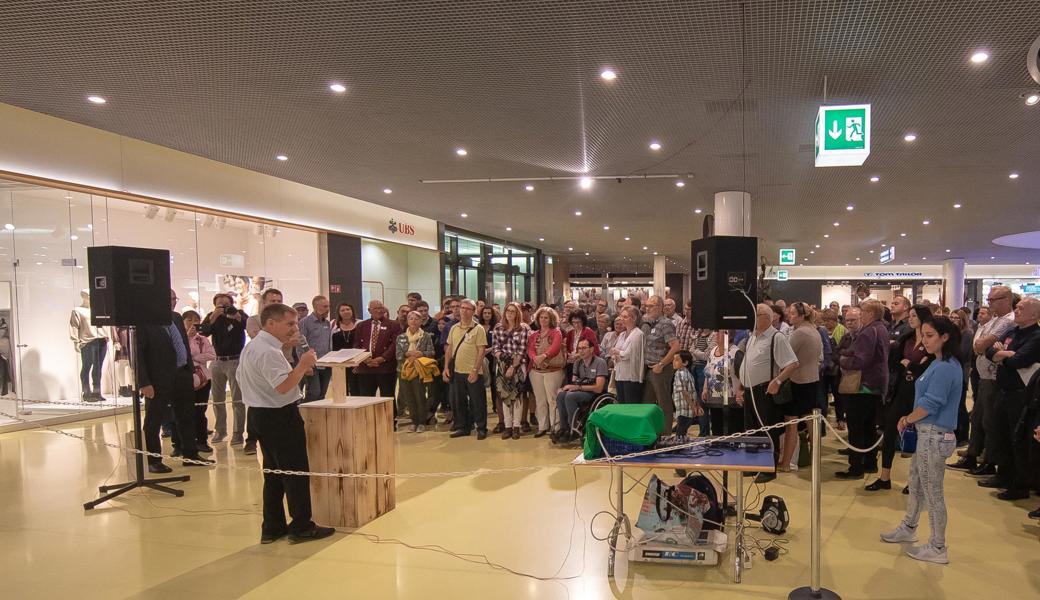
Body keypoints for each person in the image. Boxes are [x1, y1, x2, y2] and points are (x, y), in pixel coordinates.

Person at [238, 303, 334, 545]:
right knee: (294, 472)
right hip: (279, 416)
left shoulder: (254, 347)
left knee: (273, 473)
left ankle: (272, 526)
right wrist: (302, 366)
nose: (294, 328)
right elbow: (282, 387)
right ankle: (301, 525)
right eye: (289, 323)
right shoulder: (268, 352)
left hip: (260, 414)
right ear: (271, 323)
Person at [879, 316, 962, 564]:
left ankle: (938, 546)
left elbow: (932, 403)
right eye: (923, 335)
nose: (924, 340)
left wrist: (907, 419)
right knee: (916, 483)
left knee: (932, 492)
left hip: (934, 434)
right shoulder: (939, 363)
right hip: (927, 434)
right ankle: (909, 526)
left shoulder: (946, 367)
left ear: (944, 337)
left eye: (930, 336)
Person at [138, 290, 213, 473]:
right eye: (168, 299)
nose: (172, 302)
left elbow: (183, 345)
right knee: (154, 420)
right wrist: (144, 382)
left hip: (182, 375)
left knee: (186, 416)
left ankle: (190, 454)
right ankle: (154, 460)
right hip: (157, 379)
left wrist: (188, 370)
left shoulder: (176, 318)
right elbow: (138, 355)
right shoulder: (143, 322)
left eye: (174, 299)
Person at [950, 287, 1016, 474]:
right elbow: (977, 345)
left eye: (993, 299)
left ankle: (989, 462)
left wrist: (983, 346)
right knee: (978, 418)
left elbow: (982, 344)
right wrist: (983, 346)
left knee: (989, 421)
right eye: (989, 299)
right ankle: (973, 456)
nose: (989, 303)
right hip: (983, 375)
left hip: (995, 377)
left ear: (1006, 299)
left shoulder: (1009, 321)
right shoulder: (994, 320)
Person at [868, 304, 934, 492]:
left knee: (919, 436)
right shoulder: (907, 339)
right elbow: (897, 361)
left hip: (920, 392)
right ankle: (884, 477)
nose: (911, 319)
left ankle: (916, 480)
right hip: (902, 389)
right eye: (910, 315)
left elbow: (925, 366)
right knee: (890, 431)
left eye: (914, 316)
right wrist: (911, 365)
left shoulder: (930, 341)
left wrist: (912, 365)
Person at [981, 297, 1040, 500]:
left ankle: (1020, 484)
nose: (1017, 310)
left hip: (1020, 394)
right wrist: (1003, 353)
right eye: (1017, 307)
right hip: (1003, 390)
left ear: (1034, 314)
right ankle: (1003, 474)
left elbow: (1019, 360)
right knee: (1001, 434)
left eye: (1022, 308)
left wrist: (1002, 354)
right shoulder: (1012, 331)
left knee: (1018, 440)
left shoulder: (1036, 336)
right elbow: (989, 352)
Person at [836, 300, 890, 480]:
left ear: (871, 313)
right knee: (869, 427)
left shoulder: (869, 331)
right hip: (876, 384)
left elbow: (861, 360)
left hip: (863, 386)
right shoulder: (881, 329)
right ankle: (870, 463)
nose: (861, 313)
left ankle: (856, 467)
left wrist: (842, 361)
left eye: (863, 311)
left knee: (857, 427)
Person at [200, 293, 248, 446]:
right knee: (217, 399)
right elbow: (204, 332)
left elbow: (248, 325)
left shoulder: (238, 314)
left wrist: (237, 317)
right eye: (219, 305)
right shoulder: (212, 316)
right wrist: (213, 316)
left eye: (226, 305)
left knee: (237, 399)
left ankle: (238, 433)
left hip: (235, 360)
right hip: (217, 361)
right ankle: (220, 430)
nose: (223, 308)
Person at [784, 302, 822, 472]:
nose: (789, 316)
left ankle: (786, 463)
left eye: (792, 314)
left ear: (801, 315)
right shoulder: (814, 330)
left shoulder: (799, 333)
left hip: (798, 381)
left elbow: (786, 357)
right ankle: (815, 458)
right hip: (812, 380)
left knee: (791, 422)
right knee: (810, 420)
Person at [445, 299, 489, 439]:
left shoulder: (478, 328)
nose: (463, 311)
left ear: (473, 311)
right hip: (457, 371)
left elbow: (481, 350)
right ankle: (463, 426)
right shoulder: (454, 328)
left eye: (468, 309)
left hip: (473, 372)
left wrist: (475, 370)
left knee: (478, 401)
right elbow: (449, 348)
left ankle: (481, 427)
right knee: (459, 401)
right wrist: (446, 367)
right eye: (461, 308)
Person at [553, 338, 608, 443]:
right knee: (561, 395)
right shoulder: (577, 363)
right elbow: (574, 383)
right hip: (581, 390)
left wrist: (577, 388)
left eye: (584, 348)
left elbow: (599, 388)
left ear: (591, 349)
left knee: (570, 396)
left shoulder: (600, 362)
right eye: (579, 348)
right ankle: (564, 427)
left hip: (594, 393)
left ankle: (573, 428)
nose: (581, 351)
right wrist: (564, 388)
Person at [641, 296, 681, 432]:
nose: (647, 308)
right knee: (647, 403)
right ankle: (651, 433)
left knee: (664, 403)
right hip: (650, 369)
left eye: (650, 306)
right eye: (646, 306)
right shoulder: (651, 323)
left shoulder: (665, 324)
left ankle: (666, 435)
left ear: (659, 307)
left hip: (661, 370)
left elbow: (675, 346)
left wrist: (662, 364)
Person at [492, 302, 530, 440]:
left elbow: (522, 349)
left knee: (517, 396)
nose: (510, 313)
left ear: (517, 313)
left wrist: (513, 366)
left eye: (513, 311)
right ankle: (507, 426)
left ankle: (516, 426)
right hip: (502, 364)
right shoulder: (498, 328)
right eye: (508, 310)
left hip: (518, 365)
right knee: (504, 396)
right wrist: (503, 359)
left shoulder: (523, 329)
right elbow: (495, 347)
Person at [527, 306, 565, 438]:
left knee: (552, 399)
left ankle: (556, 426)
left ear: (551, 319)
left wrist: (543, 356)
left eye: (546, 317)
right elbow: (530, 349)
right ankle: (542, 426)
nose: (543, 320)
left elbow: (555, 348)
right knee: (540, 399)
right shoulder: (534, 335)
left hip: (552, 371)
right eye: (541, 317)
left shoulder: (556, 332)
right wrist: (535, 358)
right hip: (536, 371)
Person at [352, 300, 402, 398]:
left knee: (388, 398)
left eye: (381, 308)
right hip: (366, 368)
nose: (379, 311)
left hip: (385, 368)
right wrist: (364, 359)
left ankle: (389, 414)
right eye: (375, 308)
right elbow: (356, 344)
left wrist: (382, 358)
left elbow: (395, 344)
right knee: (366, 399)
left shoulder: (394, 325)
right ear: (369, 310)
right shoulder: (361, 325)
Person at [396, 311, 435, 432]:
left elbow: (432, 353)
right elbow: (398, 355)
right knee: (408, 397)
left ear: (421, 321)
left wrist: (421, 354)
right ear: (407, 321)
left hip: (419, 370)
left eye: (416, 319)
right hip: (404, 370)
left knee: (420, 396)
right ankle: (414, 421)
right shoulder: (401, 337)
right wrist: (407, 354)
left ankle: (422, 422)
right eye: (410, 318)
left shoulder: (426, 336)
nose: (413, 321)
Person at [183, 310, 216, 453]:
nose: (192, 323)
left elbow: (211, 355)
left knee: (200, 411)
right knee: (184, 412)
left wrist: (195, 358)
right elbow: (181, 355)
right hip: (184, 378)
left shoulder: (202, 339)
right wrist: (188, 340)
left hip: (203, 378)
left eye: (195, 320)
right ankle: (183, 444)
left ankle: (202, 441)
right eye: (189, 320)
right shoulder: (180, 339)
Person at [702, 330, 744, 436]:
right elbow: (708, 371)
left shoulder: (736, 353)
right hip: (714, 399)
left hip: (732, 401)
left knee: (732, 431)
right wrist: (705, 388)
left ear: (728, 335)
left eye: (719, 332)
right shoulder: (713, 351)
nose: (716, 334)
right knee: (717, 430)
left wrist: (741, 391)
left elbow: (743, 376)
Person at [299, 295, 333, 403]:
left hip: (326, 363)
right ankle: (305, 415)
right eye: (324, 306)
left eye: (328, 306)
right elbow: (300, 344)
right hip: (312, 364)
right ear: (315, 307)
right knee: (314, 392)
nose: (327, 309)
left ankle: (318, 418)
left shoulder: (327, 323)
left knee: (322, 393)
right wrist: (306, 365)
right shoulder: (304, 322)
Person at [950, 308, 975, 444]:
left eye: (956, 318)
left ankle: (963, 436)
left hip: (961, 373)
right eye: (951, 317)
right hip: (953, 372)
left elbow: (962, 353)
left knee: (960, 406)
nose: (953, 320)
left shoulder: (967, 334)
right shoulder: (953, 333)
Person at [611, 306, 645, 404]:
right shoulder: (622, 334)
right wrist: (615, 354)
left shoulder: (638, 334)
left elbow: (629, 354)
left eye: (625, 317)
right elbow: (614, 351)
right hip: (619, 374)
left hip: (631, 376)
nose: (622, 320)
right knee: (621, 404)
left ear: (634, 318)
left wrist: (617, 352)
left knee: (631, 405)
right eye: (621, 317)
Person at [477, 306, 501, 432]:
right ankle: (483, 407)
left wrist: (490, 350)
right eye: (484, 313)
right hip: (480, 358)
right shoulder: (477, 326)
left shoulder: (496, 327)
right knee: (482, 383)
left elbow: (498, 343)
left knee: (494, 384)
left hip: (493, 357)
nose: (487, 315)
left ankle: (496, 407)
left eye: (489, 313)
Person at [671, 350, 702, 437]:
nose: (673, 362)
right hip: (687, 411)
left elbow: (684, 392)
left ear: (685, 363)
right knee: (682, 432)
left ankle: (679, 448)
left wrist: (694, 407)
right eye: (673, 359)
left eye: (677, 360)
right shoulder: (689, 374)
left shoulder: (679, 374)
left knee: (680, 433)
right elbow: (693, 392)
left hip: (683, 410)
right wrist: (696, 406)